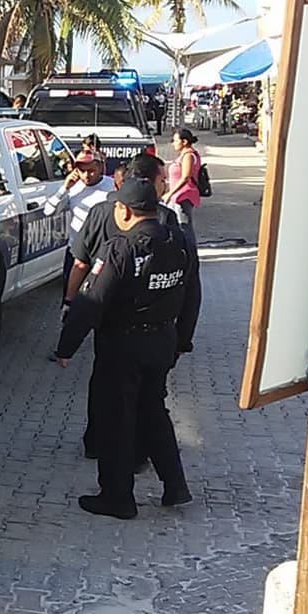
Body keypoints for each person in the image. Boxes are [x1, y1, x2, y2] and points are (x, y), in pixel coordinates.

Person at [54, 178, 200, 519]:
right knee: (154, 412)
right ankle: (175, 486)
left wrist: (66, 347)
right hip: (162, 341)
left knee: (116, 419)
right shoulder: (179, 240)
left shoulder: (120, 248)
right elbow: (193, 293)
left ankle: (117, 498)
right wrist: (183, 340)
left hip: (123, 345)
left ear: (123, 211)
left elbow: (91, 301)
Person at [44, 150, 116, 283]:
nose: (86, 175)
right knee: (71, 295)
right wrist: (64, 188)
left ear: (100, 167)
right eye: (82, 171)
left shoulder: (112, 185)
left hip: (104, 251)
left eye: (91, 170)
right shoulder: (73, 188)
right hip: (76, 251)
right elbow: (49, 212)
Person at [162, 128, 202, 243]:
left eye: (175, 140)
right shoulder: (183, 155)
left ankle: (190, 254)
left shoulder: (188, 155)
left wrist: (170, 193)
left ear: (184, 142)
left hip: (184, 195)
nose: (173, 143)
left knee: (184, 227)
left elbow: (185, 176)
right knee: (178, 226)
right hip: (178, 196)